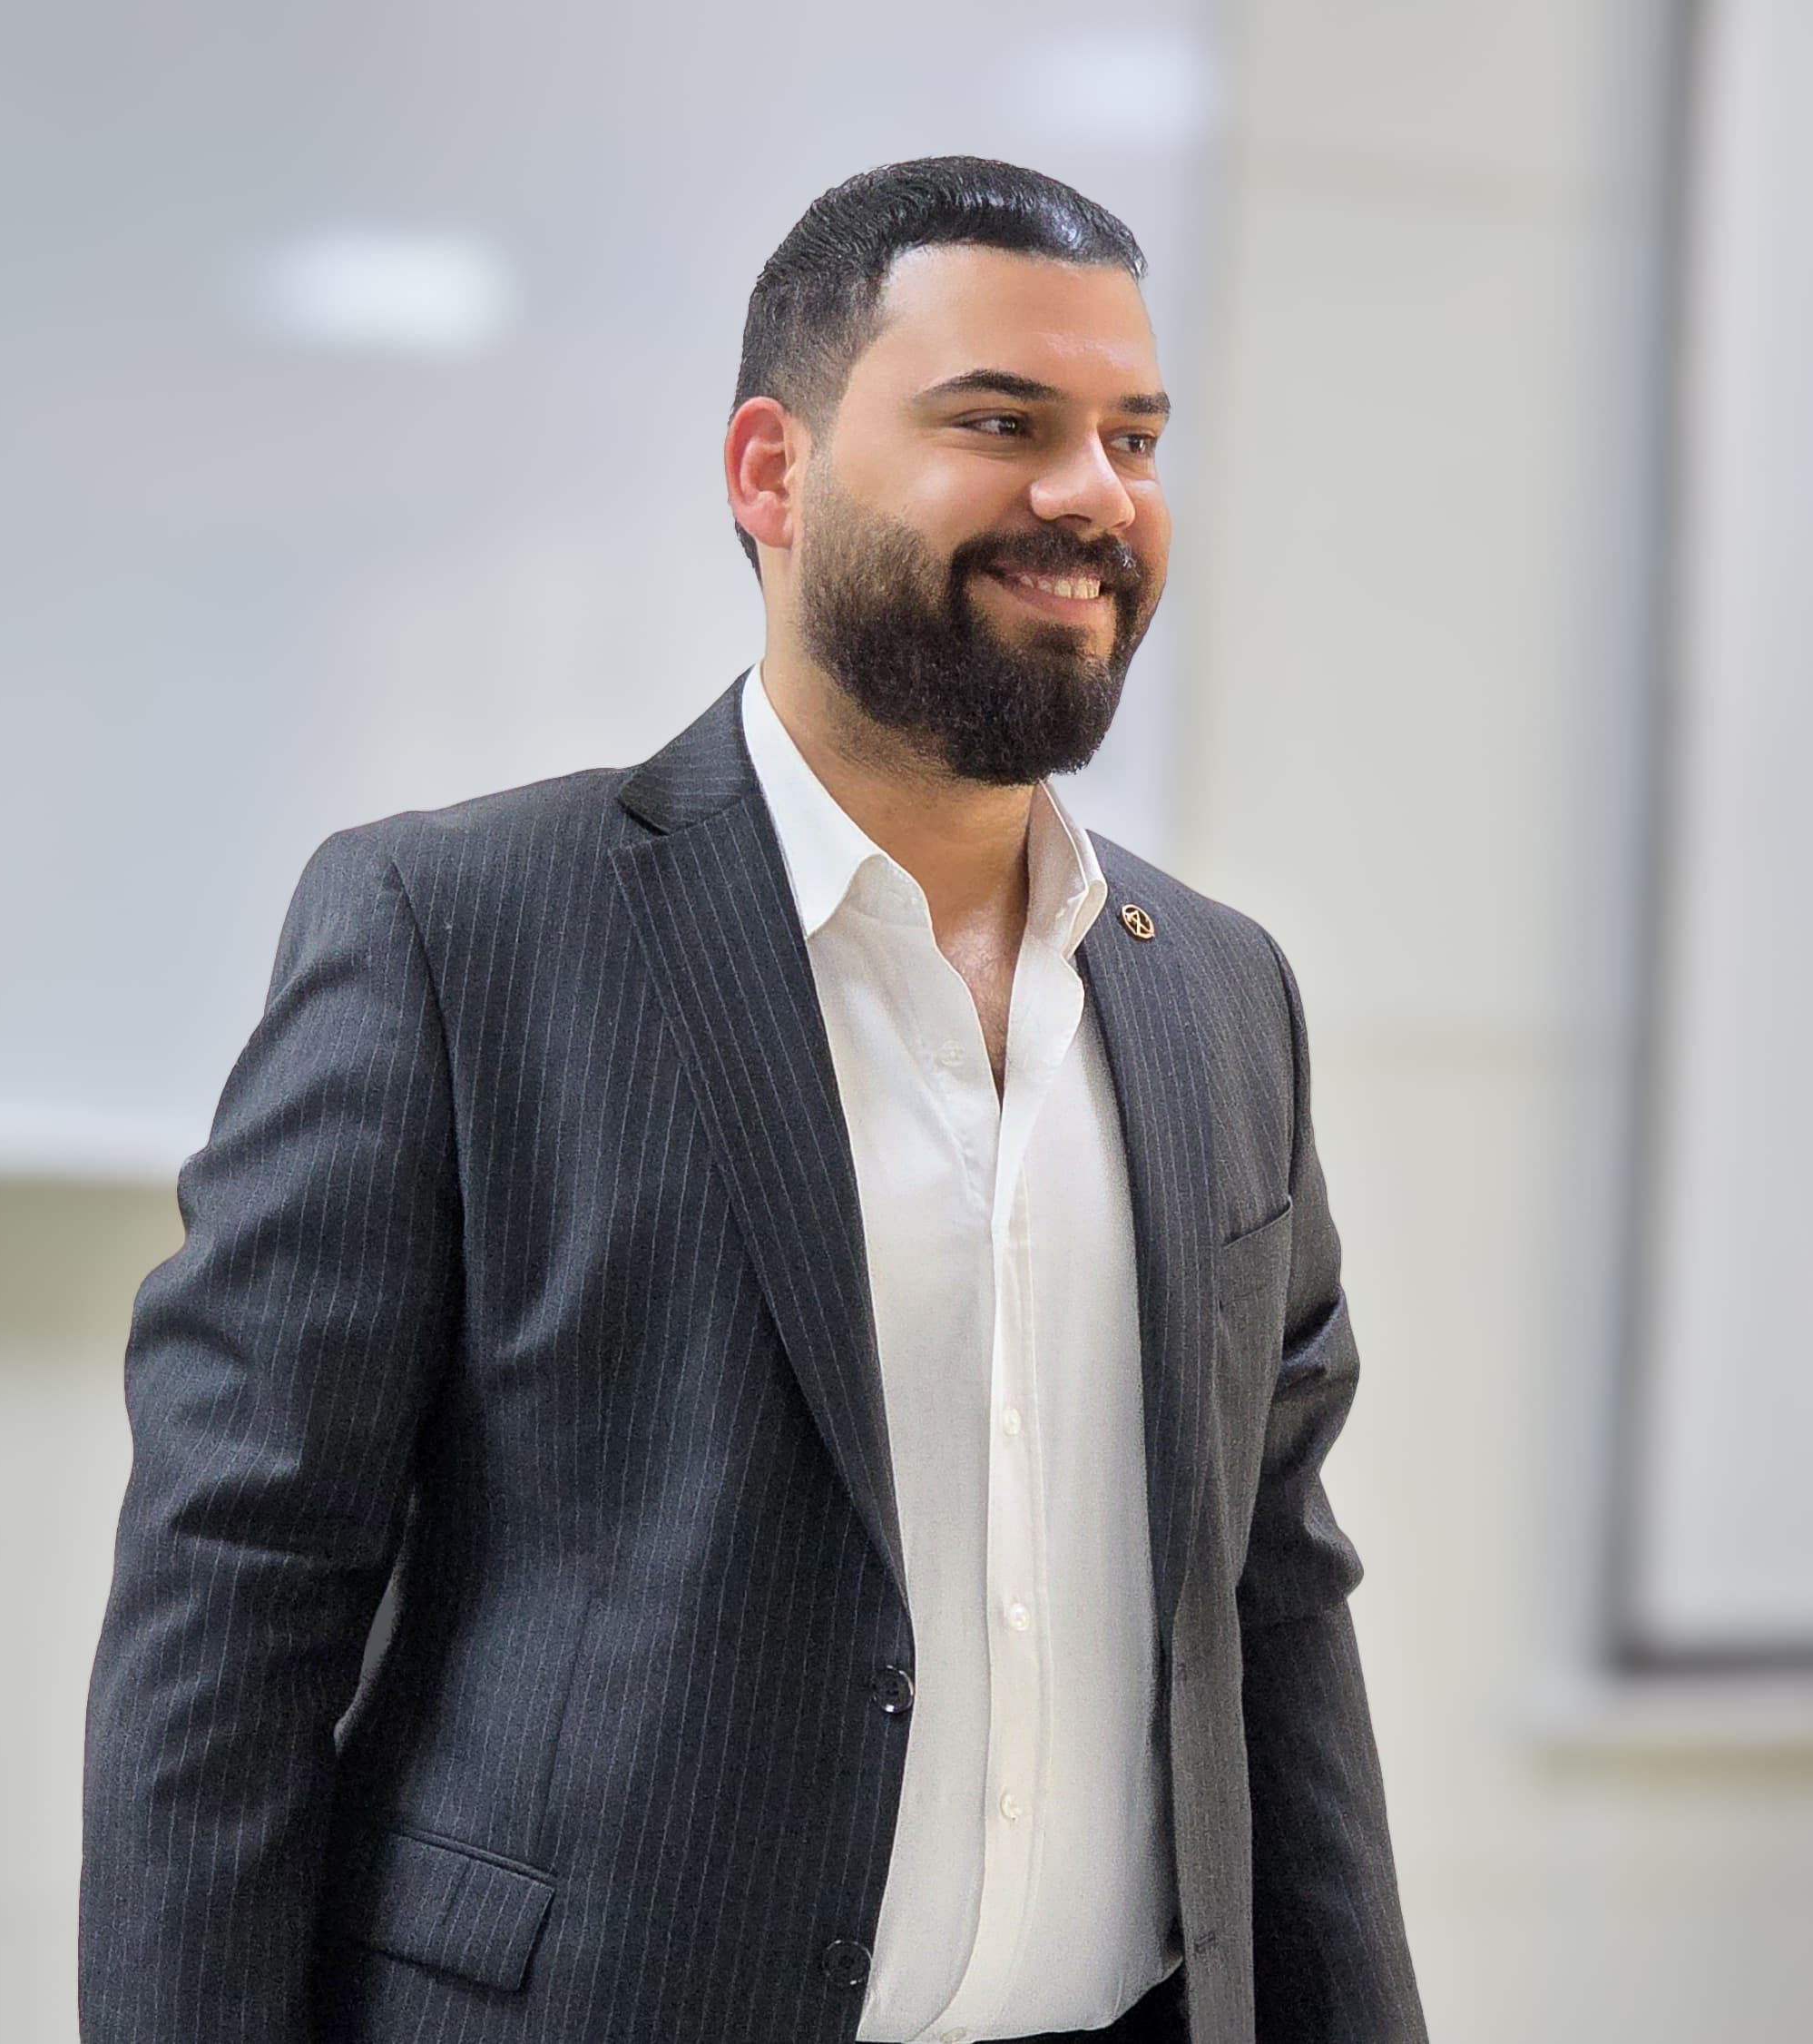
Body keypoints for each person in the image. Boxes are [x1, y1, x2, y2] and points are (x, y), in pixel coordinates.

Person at [80, 156, 1422, 2044]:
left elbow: (1270, 1600)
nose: (1091, 495)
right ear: (770, 475)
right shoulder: (461, 933)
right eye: (1002, 423)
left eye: (1132, 436)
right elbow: (234, 1597)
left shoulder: (1218, 992)